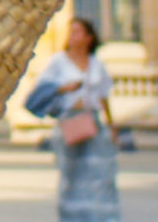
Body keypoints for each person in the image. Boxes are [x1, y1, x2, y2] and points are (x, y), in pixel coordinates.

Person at [29, 18, 120, 221]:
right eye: (71, 32)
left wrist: (112, 125)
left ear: (89, 38)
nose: (72, 36)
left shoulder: (96, 63)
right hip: (69, 120)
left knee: (100, 172)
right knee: (71, 172)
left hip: (93, 120)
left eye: (78, 32)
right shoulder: (58, 62)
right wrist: (64, 88)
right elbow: (42, 89)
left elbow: (104, 95)